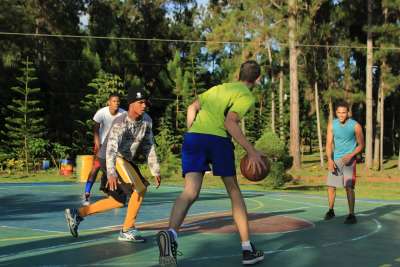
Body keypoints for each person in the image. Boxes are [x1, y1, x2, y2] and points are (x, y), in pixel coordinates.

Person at [156, 60, 266, 266]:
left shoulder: (218, 88)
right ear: (256, 79)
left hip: (194, 137)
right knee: (234, 191)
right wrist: (251, 151)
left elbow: (192, 107)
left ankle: (171, 235)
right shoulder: (246, 95)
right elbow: (230, 122)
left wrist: (192, 132)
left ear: (238, 74)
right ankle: (247, 249)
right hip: (217, 139)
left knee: (189, 192)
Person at [65, 87, 161, 242]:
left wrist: (155, 169)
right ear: (131, 104)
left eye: (145, 103)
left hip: (123, 159)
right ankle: (127, 229)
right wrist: (111, 173)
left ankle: (77, 214)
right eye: (140, 102)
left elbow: (148, 145)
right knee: (140, 188)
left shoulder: (147, 120)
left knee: (117, 201)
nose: (144, 106)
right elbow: (111, 149)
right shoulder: (120, 122)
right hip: (111, 157)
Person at [324, 100, 364, 224]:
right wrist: (330, 160)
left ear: (348, 113)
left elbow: (361, 145)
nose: (342, 115)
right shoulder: (332, 125)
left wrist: (351, 155)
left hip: (349, 161)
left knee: (349, 187)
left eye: (344, 112)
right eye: (339, 113)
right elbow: (328, 145)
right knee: (331, 186)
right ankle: (331, 210)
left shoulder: (355, 126)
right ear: (336, 113)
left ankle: (351, 214)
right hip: (336, 160)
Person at [82, 93, 125, 206]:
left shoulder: (123, 114)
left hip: (115, 147)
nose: (116, 103)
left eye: (118, 101)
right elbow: (95, 130)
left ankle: (113, 195)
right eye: (114, 101)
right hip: (101, 144)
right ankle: (86, 193)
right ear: (109, 102)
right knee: (95, 169)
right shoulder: (101, 113)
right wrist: (98, 145)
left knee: (115, 170)